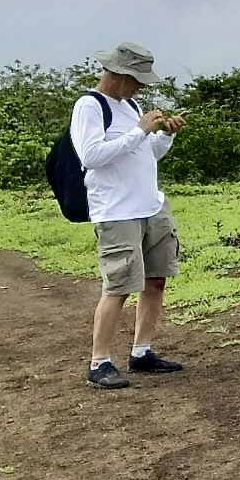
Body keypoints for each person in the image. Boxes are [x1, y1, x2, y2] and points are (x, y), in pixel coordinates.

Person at [72, 42, 188, 389]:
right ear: (118, 75)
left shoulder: (131, 105)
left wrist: (164, 135)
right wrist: (139, 129)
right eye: (136, 79)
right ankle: (99, 362)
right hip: (117, 211)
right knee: (119, 286)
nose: (141, 87)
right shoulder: (89, 106)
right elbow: (91, 156)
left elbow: (145, 154)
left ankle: (142, 352)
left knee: (156, 280)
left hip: (151, 206)